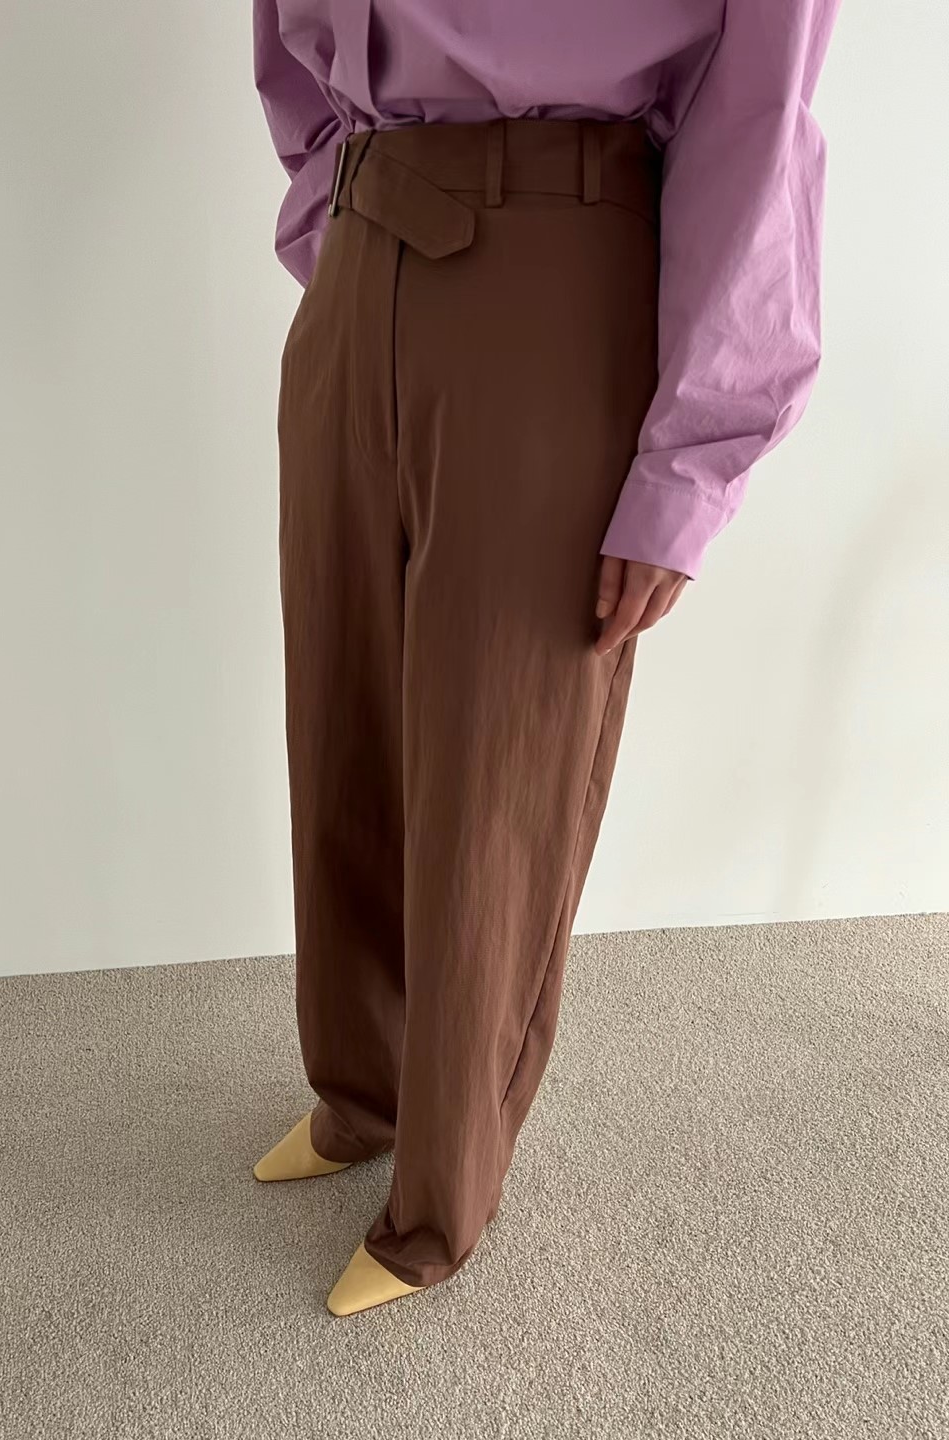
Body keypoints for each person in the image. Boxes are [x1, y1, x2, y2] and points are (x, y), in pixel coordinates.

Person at [250, 0, 842, 1317]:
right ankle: (361, 1096)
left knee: (496, 768)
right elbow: (289, 51)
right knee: (339, 719)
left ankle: (440, 1201)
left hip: (554, 271)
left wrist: (690, 468)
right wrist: (341, 235)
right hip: (363, 255)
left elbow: (758, 126)